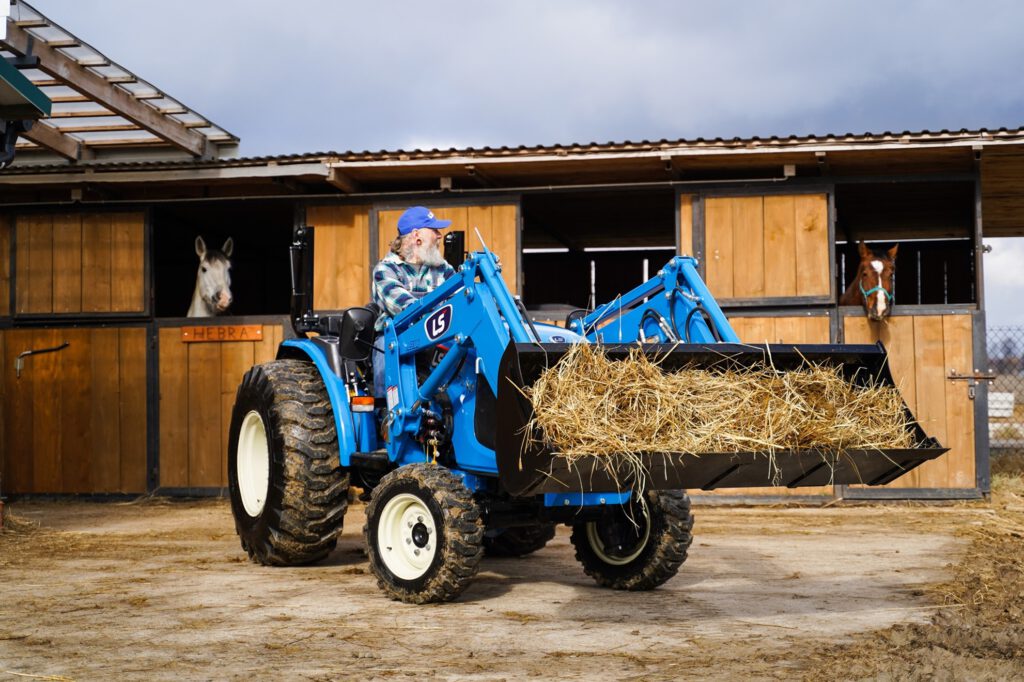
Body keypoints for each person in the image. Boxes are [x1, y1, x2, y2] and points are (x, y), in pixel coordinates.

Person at [371, 206, 456, 394]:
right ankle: (386, 413)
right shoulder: (385, 271)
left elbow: (460, 299)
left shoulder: (443, 269)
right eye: (434, 230)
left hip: (437, 336)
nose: (440, 235)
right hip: (396, 339)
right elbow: (407, 310)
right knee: (386, 351)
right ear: (417, 236)